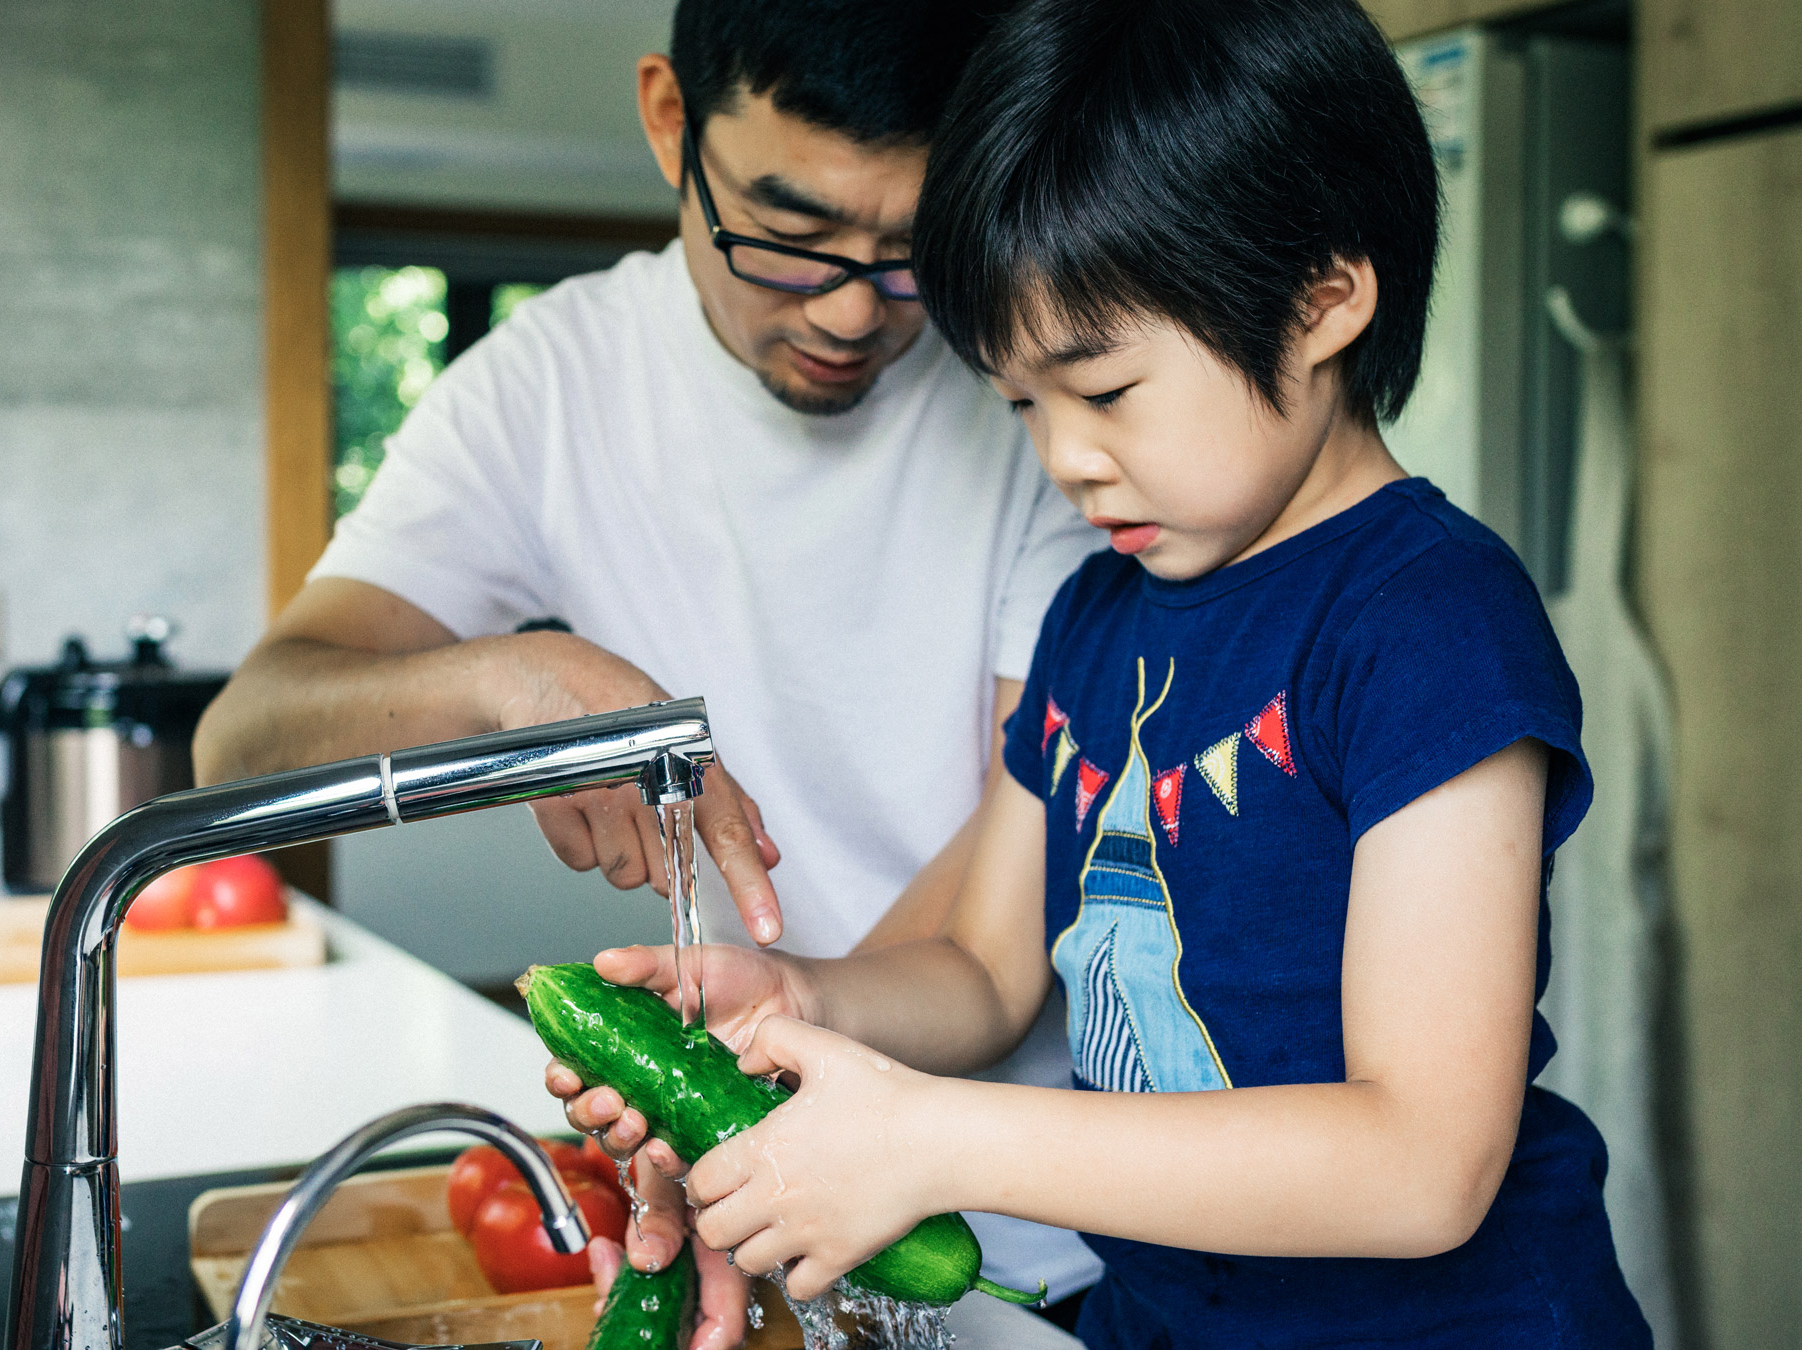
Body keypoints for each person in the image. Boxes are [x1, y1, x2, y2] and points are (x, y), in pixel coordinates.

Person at [552, 0, 1654, 1344]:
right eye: (1021, 402)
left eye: (1106, 389)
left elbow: (1423, 1159)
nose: (1062, 456)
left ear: (1321, 301)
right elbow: (983, 965)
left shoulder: (1427, 620)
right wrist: (806, 999)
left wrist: (937, 1139)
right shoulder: (1098, 615)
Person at [191, 0, 1106, 1338]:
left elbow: (998, 909)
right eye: (789, 239)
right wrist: (507, 682)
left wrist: (768, 1046)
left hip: (1025, 1233)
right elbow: (244, 740)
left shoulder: (1040, 393)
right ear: (671, 121)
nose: (852, 309)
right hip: (747, 1202)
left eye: (912, 255)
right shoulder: (546, 388)